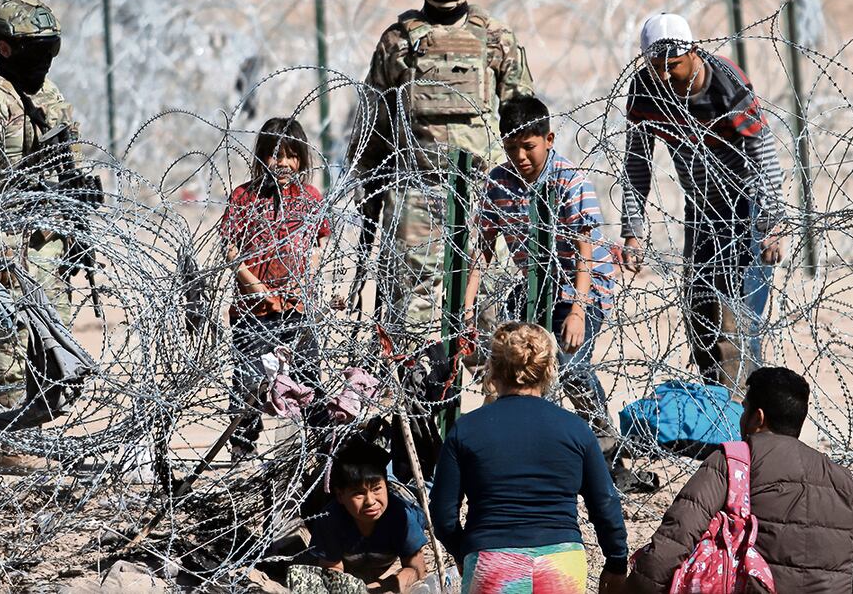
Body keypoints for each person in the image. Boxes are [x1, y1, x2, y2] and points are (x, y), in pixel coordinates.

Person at [349, 0, 534, 348]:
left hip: (477, 192)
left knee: (486, 306)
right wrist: (367, 179)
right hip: (437, 189)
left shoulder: (488, 39)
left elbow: (521, 118)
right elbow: (376, 118)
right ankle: (427, 400)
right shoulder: (406, 41)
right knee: (423, 306)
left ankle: (476, 398)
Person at [618, 12, 785, 395]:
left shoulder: (725, 82)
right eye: (655, 66)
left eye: (672, 66)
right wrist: (633, 230)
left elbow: (762, 151)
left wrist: (772, 222)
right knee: (700, 317)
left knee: (736, 322)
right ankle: (717, 410)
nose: (664, 76)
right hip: (702, 210)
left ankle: (746, 420)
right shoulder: (646, 88)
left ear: (692, 52)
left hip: (746, 208)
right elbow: (637, 161)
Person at [0, 0, 93, 423]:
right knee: (14, 336)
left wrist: (77, 222)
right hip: (9, 239)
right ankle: (12, 434)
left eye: (50, 50)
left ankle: (43, 425)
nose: (44, 61)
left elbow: (71, 160)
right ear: (5, 48)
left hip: (51, 235)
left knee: (55, 334)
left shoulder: (47, 94)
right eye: (36, 50)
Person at [627, 366, 853, 593]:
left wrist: (633, 588)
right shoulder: (838, 476)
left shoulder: (733, 462)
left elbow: (673, 542)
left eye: (745, 409)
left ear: (758, 417)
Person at [465, 96, 621, 458]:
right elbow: (483, 248)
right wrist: (468, 307)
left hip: (582, 285)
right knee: (517, 362)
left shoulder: (570, 182)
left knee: (569, 365)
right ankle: (525, 442)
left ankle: (605, 442)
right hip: (535, 284)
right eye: (511, 148)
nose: (520, 156)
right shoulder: (498, 183)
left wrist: (578, 312)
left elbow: (585, 251)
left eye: (528, 147)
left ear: (549, 140)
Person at [429, 322, 628, 593]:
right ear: (548, 369)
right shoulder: (575, 429)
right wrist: (616, 561)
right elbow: (604, 502)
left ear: (492, 369)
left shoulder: (466, 430)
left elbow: (442, 517)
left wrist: (465, 551)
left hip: (492, 559)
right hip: (560, 560)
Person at [220, 117, 332, 457]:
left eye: (291, 155)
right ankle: (242, 452)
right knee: (249, 386)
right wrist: (254, 286)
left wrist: (305, 276)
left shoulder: (310, 197)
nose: (283, 163)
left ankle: (319, 451)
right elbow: (230, 248)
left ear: (301, 159)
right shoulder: (244, 197)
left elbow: (321, 241)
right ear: (262, 157)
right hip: (253, 314)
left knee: (307, 381)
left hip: (297, 310)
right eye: (274, 154)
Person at [291, 441, 429, 593]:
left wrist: (379, 588)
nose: (370, 501)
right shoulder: (330, 520)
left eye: (377, 489)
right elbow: (332, 571)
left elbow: (417, 569)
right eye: (358, 493)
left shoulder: (402, 517)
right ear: (340, 495)